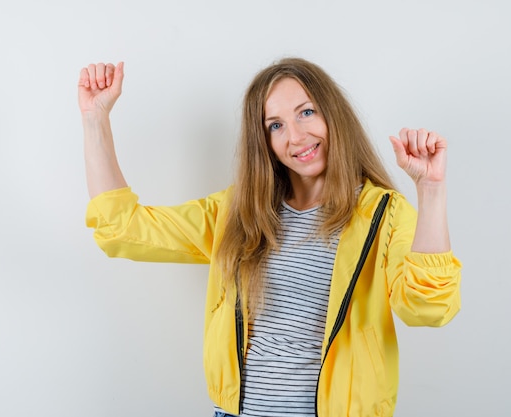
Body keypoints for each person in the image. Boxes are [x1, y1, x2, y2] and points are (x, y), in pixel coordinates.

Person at [78, 58, 461, 417]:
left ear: (334, 114)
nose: (295, 137)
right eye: (275, 125)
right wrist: (96, 120)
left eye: (306, 112)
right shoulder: (240, 213)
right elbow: (121, 229)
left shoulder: (384, 214)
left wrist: (430, 190)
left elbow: (427, 308)